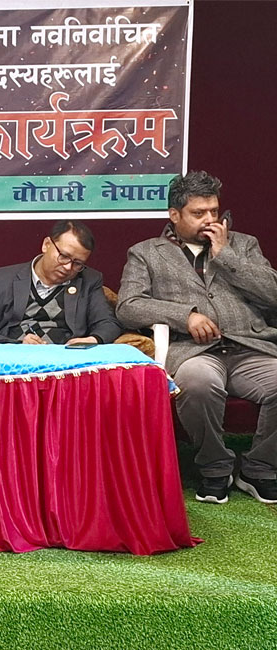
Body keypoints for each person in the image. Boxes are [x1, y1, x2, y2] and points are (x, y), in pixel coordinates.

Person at [117, 170, 277, 505]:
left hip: (250, 347)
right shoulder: (146, 253)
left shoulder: (244, 245)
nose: (210, 220)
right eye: (198, 213)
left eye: (214, 211)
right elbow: (128, 306)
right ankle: (214, 467)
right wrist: (185, 315)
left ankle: (259, 468)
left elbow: (272, 294)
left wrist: (227, 256)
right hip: (195, 352)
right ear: (174, 215)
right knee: (198, 383)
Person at [0, 220, 122, 345]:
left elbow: (108, 324)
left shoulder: (89, 280)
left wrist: (92, 339)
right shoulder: (0, 279)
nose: (68, 267)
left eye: (77, 263)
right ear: (46, 245)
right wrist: (18, 343)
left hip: (65, 361)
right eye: (64, 256)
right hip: (14, 359)